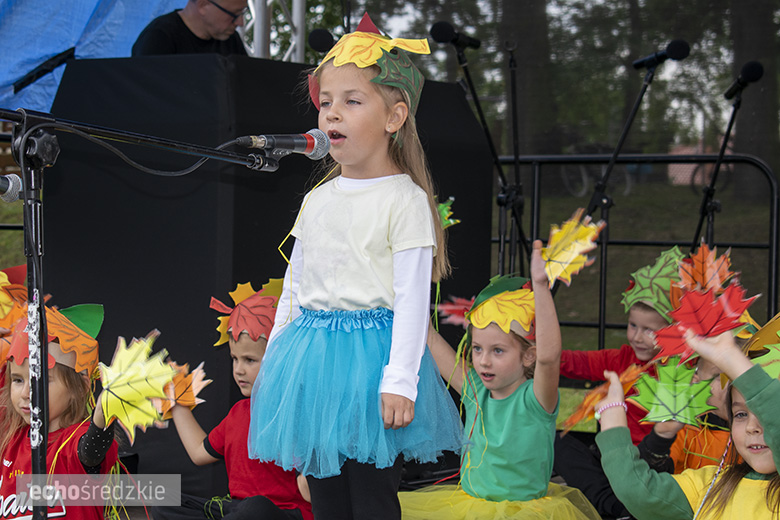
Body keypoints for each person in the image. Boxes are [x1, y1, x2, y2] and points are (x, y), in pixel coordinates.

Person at [247, 14, 463, 520]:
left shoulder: (404, 199)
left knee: (370, 499)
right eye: (325, 103)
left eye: (352, 101)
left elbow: (412, 300)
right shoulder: (318, 198)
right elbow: (294, 287)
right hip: (314, 363)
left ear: (394, 117)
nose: (332, 115)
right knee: (327, 499)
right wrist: (274, 362)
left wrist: (400, 379)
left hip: (372, 367)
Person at [400, 240, 601, 520]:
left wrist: (540, 287)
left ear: (528, 356)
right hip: (471, 510)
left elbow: (549, 357)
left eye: (498, 351)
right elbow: (430, 338)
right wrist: (410, 276)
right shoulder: (475, 391)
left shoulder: (536, 400)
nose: (483, 360)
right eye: (477, 348)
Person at [152, 284, 312, 520]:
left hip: (282, 513)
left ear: (279, 360)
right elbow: (199, 453)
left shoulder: (296, 413)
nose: (238, 369)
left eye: (249, 360)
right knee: (165, 505)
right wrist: (175, 402)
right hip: (237, 510)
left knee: (256, 507)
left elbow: (312, 483)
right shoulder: (238, 413)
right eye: (235, 359)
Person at [554, 246, 684, 519]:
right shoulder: (621, 359)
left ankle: (620, 504)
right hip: (616, 460)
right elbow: (573, 362)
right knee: (556, 442)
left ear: (675, 331)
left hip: (659, 465)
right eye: (633, 325)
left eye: (649, 330)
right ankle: (618, 507)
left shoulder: (684, 369)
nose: (636, 337)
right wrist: (536, 355)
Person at [595, 328, 780, 519]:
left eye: (765, 413)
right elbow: (639, 492)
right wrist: (613, 420)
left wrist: (731, 358)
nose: (752, 427)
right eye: (741, 414)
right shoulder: (709, 485)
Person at [1, 303, 119, 520]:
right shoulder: (11, 435)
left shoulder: (74, 440)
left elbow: (91, 451)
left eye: (40, 381)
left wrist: (104, 412)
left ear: (80, 388)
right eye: (18, 380)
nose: (26, 393)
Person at [132, 0, 248, 57]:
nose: (240, 22)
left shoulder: (231, 38)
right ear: (203, 5)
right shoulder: (160, 37)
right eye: (234, 14)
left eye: (243, 13)